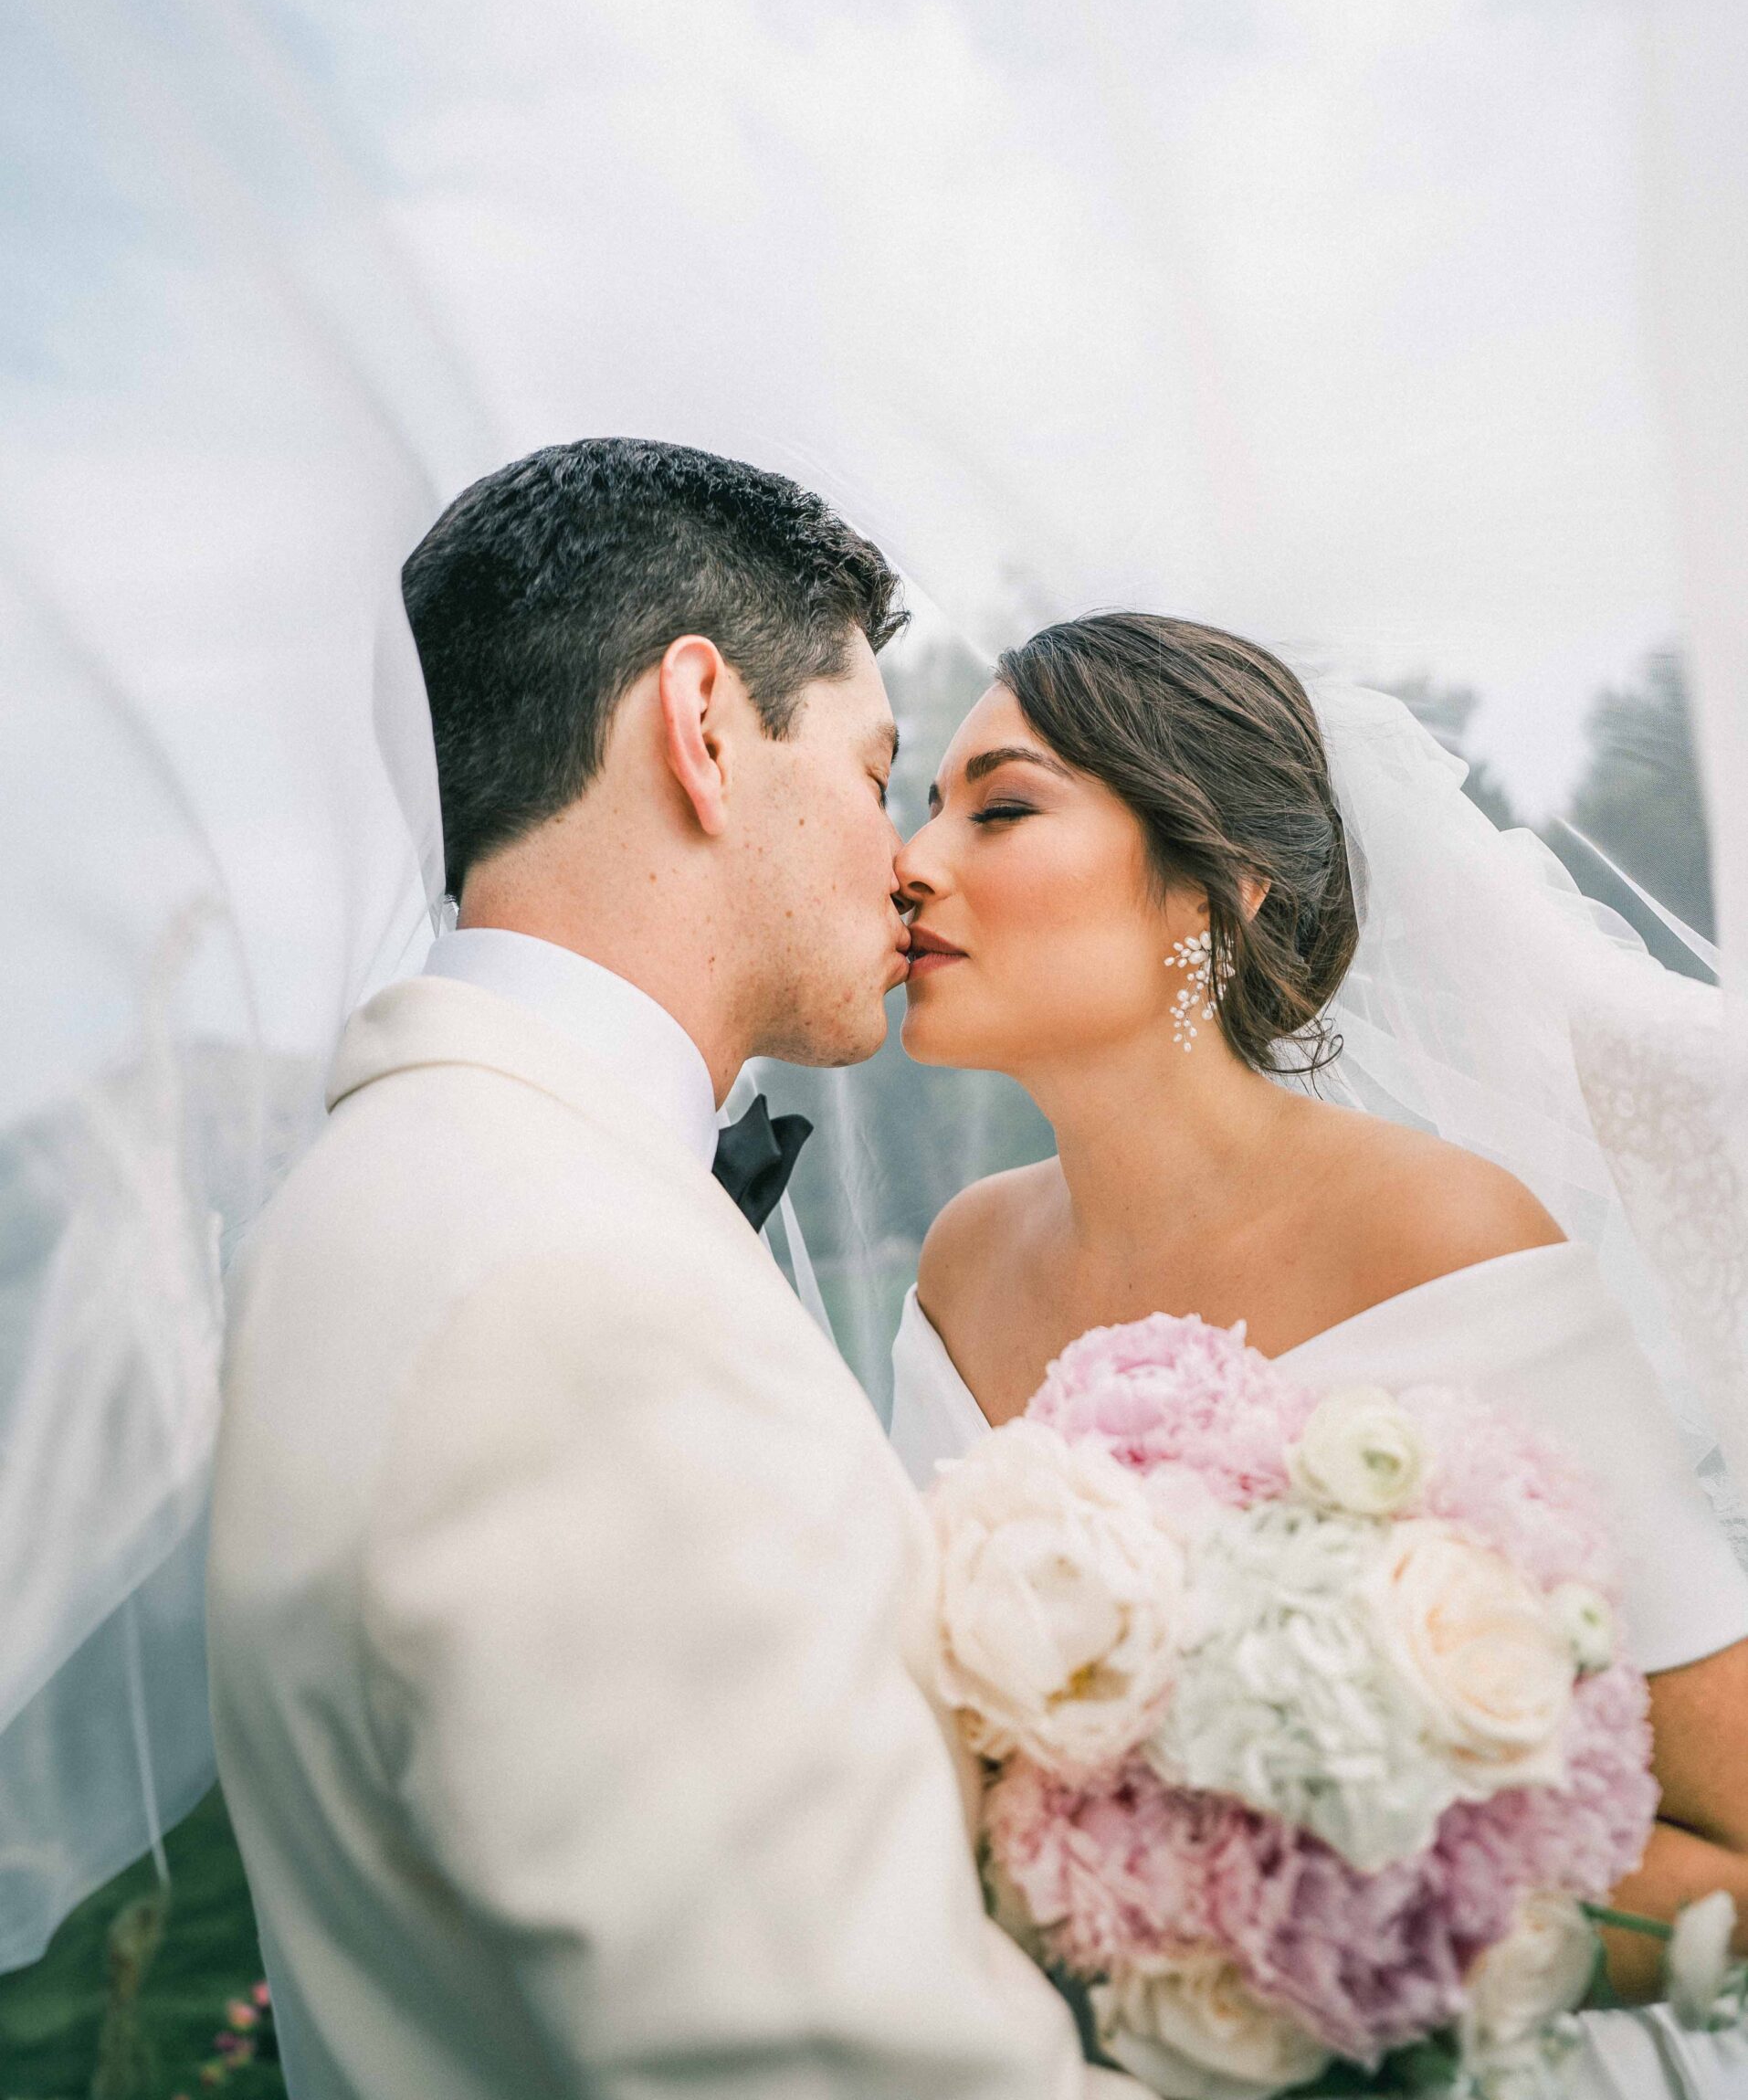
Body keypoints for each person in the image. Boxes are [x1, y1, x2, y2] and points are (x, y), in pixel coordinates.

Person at [205, 439, 1139, 2100]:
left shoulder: (393, 1197)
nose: (905, 860)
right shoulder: (565, 1287)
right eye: (871, 777)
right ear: (702, 726)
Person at [887, 609, 1748, 2097]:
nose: (910, 859)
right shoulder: (963, 1262)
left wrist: (1282, 1949)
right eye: (922, 803)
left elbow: (1735, 1848)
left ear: (1212, 893)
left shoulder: (1438, 1229)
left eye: (1002, 808)